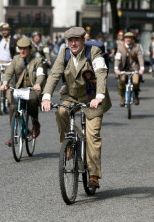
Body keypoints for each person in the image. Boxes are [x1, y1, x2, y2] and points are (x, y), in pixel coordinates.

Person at [41, 26, 112, 189]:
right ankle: (68, 144)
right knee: (60, 111)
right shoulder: (64, 53)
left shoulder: (93, 52)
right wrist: (46, 97)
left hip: (92, 96)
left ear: (83, 40)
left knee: (92, 135)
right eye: (70, 40)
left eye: (76, 40)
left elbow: (101, 73)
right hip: (71, 94)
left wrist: (99, 96)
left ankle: (93, 174)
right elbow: (54, 74)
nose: (73, 43)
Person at [0, 37, 46, 146]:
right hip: (19, 89)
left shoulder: (37, 61)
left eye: (25, 48)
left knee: (33, 99)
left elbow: (40, 75)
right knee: (12, 107)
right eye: (20, 48)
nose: (22, 51)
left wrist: (38, 84)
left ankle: (35, 122)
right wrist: (5, 82)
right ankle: (13, 134)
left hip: (32, 88)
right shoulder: (16, 59)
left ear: (30, 49)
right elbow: (9, 72)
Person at [114, 32, 145, 106]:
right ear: (124, 39)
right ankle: (122, 98)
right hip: (124, 69)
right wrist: (116, 68)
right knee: (122, 81)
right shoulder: (120, 47)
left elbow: (140, 58)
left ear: (132, 39)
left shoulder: (137, 46)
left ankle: (136, 95)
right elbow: (117, 58)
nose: (128, 39)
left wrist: (142, 68)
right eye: (127, 38)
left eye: (130, 38)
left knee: (136, 82)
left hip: (134, 69)